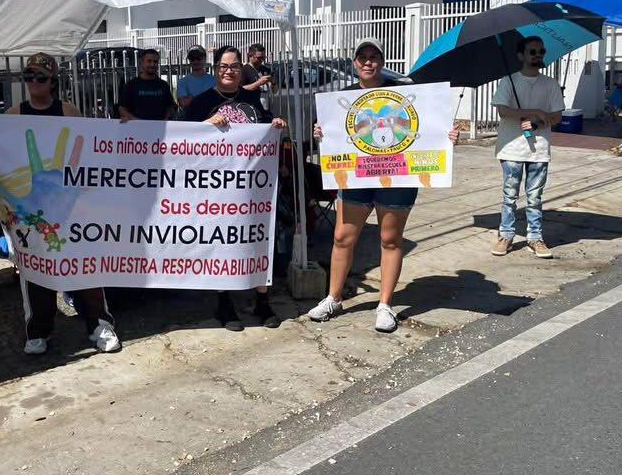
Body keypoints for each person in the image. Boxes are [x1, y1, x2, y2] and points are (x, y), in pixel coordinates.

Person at [306, 38, 459, 333]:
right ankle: (333, 298)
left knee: (390, 240)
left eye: (374, 56)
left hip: (397, 177)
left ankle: (385, 304)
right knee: (342, 237)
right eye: (362, 56)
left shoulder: (403, 93)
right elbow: (331, 135)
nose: (368, 62)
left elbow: (428, 128)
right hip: (355, 177)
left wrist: (447, 136)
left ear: (382, 61)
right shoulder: (341, 98)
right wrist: (320, 132)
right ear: (354, 63)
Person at [0, 53, 121, 355]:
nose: (34, 82)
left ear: (53, 81)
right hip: (32, 206)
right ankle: (39, 330)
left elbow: (87, 148)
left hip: (70, 201)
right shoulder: (14, 113)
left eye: (41, 76)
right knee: (35, 267)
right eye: (29, 77)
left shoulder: (68, 111)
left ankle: (99, 324)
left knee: (83, 264)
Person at [185, 45, 287, 331]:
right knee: (221, 242)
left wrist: (275, 124)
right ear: (215, 69)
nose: (229, 71)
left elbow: (264, 128)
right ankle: (224, 302)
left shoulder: (251, 98)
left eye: (234, 66)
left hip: (252, 188)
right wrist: (206, 124)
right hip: (217, 188)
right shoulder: (202, 102)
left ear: (242, 69)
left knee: (256, 239)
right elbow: (182, 138)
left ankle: (262, 300)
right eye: (224, 66)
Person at [490, 36, 564, 259]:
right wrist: (533, 112)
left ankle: (535, 237)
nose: (538, 55)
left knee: (535, 198)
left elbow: (557, 116)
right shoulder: (509, 81)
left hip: (539, 150)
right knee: (509, 196)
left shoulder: (550, 84)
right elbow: (503, 110)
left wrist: (537, 121)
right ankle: (506, 235)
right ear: (521, 56)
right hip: (511, 148)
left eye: (541, 51)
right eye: (533, 51)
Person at [118, 48, 177, 120]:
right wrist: (138, 122)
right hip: (137, 125)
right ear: (142, 63)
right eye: (149, 61)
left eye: (155, 62)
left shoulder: (163, 85)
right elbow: (122, 108)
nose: (152, 64)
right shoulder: (131, 85)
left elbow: (170, 107)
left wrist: (166, 119)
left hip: (160, 125)